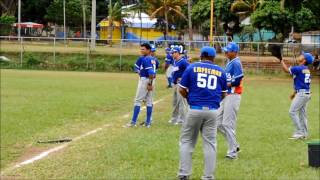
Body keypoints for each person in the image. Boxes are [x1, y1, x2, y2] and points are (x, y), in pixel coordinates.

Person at [178, 46, 227, 180]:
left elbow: (181, 89)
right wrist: (213, 102)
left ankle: (184, 174)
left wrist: (190, 99)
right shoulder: (220, 71)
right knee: (210, 144)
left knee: (187, 141)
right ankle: (208, 176)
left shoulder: (192, 67)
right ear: (213, 57)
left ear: (202, 55)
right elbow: (224, 94)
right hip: (212, 111)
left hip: (195, 108)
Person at [217, 42, 244, 159]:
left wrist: (225, 84)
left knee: (228, 124)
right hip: (227, 95)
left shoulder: (236, 62)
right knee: (217, 123)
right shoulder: (229, 62)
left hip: (233, 95)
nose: (226, 52)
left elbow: (238, 81)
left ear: (235, 52)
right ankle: (235, 144)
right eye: (225, 50)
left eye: (228, 51)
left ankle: (233, 152)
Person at [279, 52, 314, 139]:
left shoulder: (299, 68)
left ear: (304, 60)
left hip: (302, 94)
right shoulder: (306, 69)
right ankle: (304, 134)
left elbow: (286, 70)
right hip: (306, 93)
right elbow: (301, 83)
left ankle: (299, 132)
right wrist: (294, 93)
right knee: (302, 114)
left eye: (302, 55)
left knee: (292, 111)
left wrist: (281, 60)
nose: (300, 56)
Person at [125, 43, 156, 128]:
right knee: (149, 101)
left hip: (146, 80)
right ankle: (148, 123)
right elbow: (154, 69)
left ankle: (133, 122)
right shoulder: (153, 59)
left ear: (148, 50)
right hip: (151, 80)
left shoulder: (146, 59)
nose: (141, 50)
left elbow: (151, 73)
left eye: (143, 49)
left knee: (138, 100)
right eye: (141, 49)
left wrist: (149, 83)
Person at [168, 47, 189, 125]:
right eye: (172, 53)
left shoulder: (183, 61)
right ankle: (174, 118)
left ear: (178, 52)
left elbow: (189, 70)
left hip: (181, 84)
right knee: (175, 102)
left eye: (173, 52)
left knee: (181, 102)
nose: (172, 54)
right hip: (175, 84)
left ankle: (182, 120)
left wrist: (183, 78)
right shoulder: (175, 61)